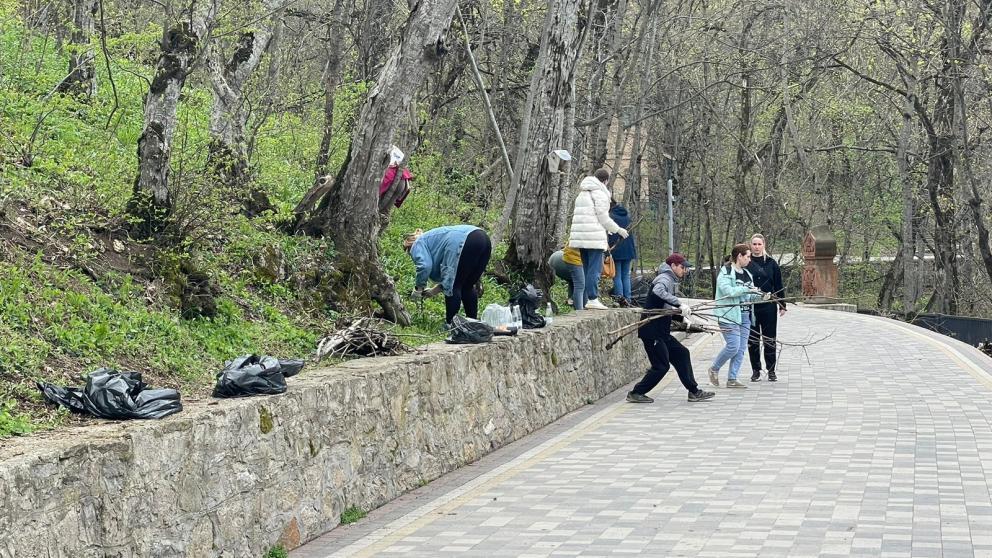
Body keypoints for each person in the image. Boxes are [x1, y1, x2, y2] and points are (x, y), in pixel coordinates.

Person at [627, 253, 715, 404]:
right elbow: (658, 292)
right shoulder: (664, 279)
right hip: (652, 332)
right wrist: (679, 303)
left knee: (682, 354)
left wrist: (683, 319)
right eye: (682, 267)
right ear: (673, 266)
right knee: (661, 366)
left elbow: (665, 308)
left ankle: (694, 392)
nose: (684, 270)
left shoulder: (669, 279)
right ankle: (636, 392)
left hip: (662, 332)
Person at [707, 244, 767, 389]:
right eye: (747, 256)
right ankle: (714, 368)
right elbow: (728, 291)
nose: (749, 260)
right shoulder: (726, 272)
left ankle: (732, 378)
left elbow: (749, 295)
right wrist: (746, 289)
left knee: (740, 349)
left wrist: (760, 296)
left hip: (745, 316)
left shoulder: (747, 274)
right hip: (729, 315)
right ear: (739, 256)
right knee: (733, 346)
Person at [404, 225, 492, 324]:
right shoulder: (433, 239)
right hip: (483, 238)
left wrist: (418, 289)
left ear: (409, 246)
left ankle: (451, 325)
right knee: (467, 286)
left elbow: (425, 266)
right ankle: (472, 325)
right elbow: (456, 276)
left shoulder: (417, 243)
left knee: (454, 287)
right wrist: (434, 290)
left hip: (463, 240)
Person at [567, 168, 628, 310]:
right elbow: (603, 217)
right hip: (593, 238)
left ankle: (589, 298)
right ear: (605, 181)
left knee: (587, 268)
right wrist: (618, 230)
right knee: (595, 269)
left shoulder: (582, 193)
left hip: (580, 237)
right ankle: (593, 298)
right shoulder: (600, 193)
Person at [746, 233, 786, 382]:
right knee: (753, 339)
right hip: (751, 306)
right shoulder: (746, 262)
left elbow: (778, 284)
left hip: (768, 305)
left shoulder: (771, 263)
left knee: (770, 339)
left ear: (764, 245)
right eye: (754, 244)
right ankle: (756, 369)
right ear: (751, 245)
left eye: (759, 244)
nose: (757, 247)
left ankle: (771, 370)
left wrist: (782, 304)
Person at [607, 200, 637, 307]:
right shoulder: (626, 216)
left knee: (617, 276)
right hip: (628, 250)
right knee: (626, 275)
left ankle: (619, 298)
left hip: (616, 250)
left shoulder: (610, 217)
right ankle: (628, 299)